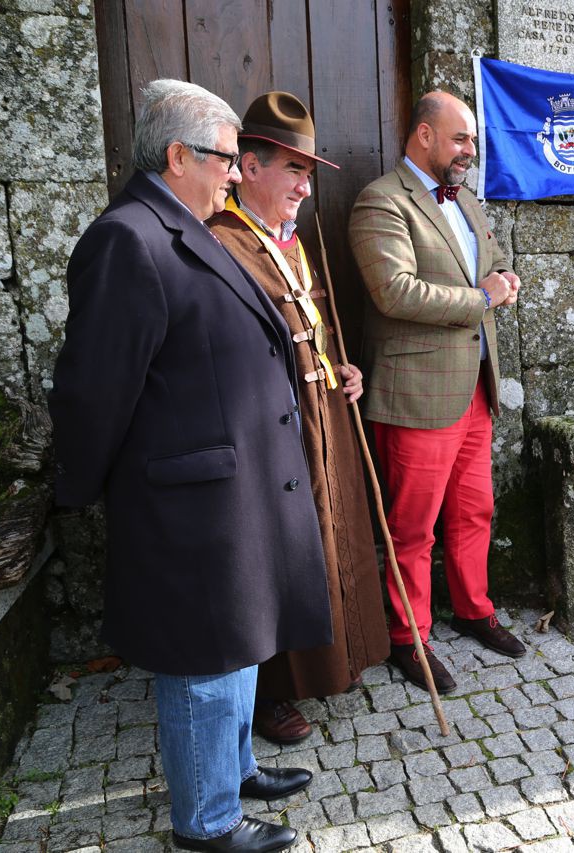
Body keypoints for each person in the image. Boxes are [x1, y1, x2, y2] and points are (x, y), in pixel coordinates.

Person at [48, 79, 329, 853]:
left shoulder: (189, 222)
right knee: (203, 664)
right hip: (188, 501)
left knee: (236, 648)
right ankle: (204, 825)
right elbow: (93, 387)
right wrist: (81, 488)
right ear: (178, 156)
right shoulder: (128, 239)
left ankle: (233, 769)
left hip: (229, 493)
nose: (237, 173)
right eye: (226, 159)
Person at [207, 92, 390, 744]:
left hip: (325, 417)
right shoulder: (223, 243)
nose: (305, 187)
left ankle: (343, 656)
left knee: (331, 532)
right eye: (293, 170)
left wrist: (342, 363)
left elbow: (310, 319)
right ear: (248, 168)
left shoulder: (289, 240)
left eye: (309, 174)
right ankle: (270, 692)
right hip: (272, 431)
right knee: (277, 552)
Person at [347, 91, 524, 693]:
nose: (469, 151)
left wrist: (504, 278)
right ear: (423, 136)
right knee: (412, 527)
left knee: (474, 510)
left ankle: (474, 609)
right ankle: (409, 637)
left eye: (471, 140)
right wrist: (483, 298)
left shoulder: (466, 198)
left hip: (475, 387)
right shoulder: (380, 201)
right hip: (416, 393)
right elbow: (394, 292)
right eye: (460, 139)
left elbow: (494, 259)